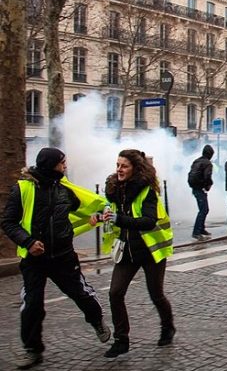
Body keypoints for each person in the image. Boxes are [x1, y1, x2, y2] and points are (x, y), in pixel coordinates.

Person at [1, 147, 111, 369]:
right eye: (62, 162)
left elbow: (84, 210)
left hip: (63, 257)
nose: (65, 166)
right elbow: (8, 222)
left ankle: (96, 320)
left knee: (81, 294)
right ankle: (32, 350)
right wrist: (28, 242)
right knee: (32, 304)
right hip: (34, 260)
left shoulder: (65, 190)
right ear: (51, 164)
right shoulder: (22, 189)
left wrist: (99, 216)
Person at [92, 149, 175, 358]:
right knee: (115, 293)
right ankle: (122, 340)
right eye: (118, 165)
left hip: (150, 250)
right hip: (126, 251)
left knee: (156, 294)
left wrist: (118, 219)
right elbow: (109, 211)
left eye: (124, 166)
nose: (119, 169)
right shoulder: (113, 188)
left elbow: (148, 221)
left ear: (135, 169)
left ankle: (168, 327)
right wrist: (99, 216)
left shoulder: (147, 191)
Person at [188, 144, 214, 240]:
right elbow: (207, 176)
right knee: (204, 210)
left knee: (203, 209)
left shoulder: (197, 160)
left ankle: (202, 229)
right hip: (200, 187)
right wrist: (208, 185)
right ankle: (196, 232)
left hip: (194, 187)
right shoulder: (207, 163)